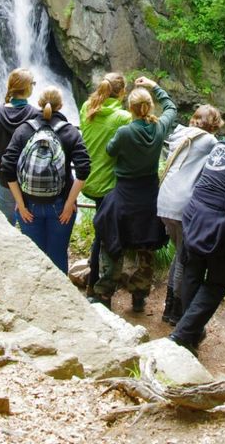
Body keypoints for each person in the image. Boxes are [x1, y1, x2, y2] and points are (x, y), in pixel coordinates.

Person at [169, 111, 225, 351]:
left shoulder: (216, 147)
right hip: (216, 224)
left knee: (192, 272)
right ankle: (182, 334)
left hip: (193, 213)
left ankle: (189, 335)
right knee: (220, 278)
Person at [91, 77, 177, 311]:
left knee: (112, 240)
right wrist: (153, 85)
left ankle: (104, 292)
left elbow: (110, 151)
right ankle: (139, 296)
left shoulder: (124, 132)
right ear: (149, 106)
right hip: (149, 195)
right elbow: (171, 107)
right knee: (145, 248)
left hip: (124, 194)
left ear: (130, 108)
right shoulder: (159, 128)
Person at [0, 87, 91, 272]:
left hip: (28, 207)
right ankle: (61, 299)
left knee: (35, 260)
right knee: (57, 258)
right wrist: (69, 203)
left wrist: (20, 203)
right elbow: (84, 169)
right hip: (61, 206)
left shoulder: (24, 130)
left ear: (39, 104)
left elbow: (7, 167)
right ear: (61, 105)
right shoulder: (70, 132)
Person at [156, 104, 223, 324]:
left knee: (179, 252)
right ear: (213, 124)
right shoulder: (210, 141)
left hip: (165, 200)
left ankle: (169, 307)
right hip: (183, 205)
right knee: (185, 258)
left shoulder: (179, 133)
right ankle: (176, 310)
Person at [79, 73, 132, 293]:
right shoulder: (122, 118)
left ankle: (95, 280)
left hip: (87, 180)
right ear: (121, 93)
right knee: (104, 235)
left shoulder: (85, 108)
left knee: (101, 231)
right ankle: (96, 284)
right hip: (107, 186)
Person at [0, 68, 40, 227]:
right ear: (28, 88)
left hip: (5, 178)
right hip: (31, 181)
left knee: (5, 226)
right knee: (30, 226)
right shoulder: (36, 115)